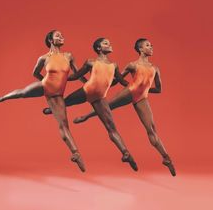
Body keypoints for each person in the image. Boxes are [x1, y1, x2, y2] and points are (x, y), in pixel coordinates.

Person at [72, 38, 176, 176]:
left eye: (151, 45)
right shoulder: (132, 65)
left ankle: (166, 158)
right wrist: (97, 83)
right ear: (140, 49)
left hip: (141, 97)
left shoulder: (155, 68)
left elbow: (158, 90)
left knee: (151, 129)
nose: (151, 47)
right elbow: (117, 79)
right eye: (147, 45)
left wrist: (144, 89)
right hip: (129, 91)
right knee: (108, 106)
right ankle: (86, 116)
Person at [0, 30, 86, 172]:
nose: (61, 37)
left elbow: (77, 74)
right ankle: (2, 98)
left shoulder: (68, 56)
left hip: (57, 95)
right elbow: (35, 73)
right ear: (51, 40)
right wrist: (45, 81)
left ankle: (76, 154)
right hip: (45, 85)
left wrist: (87, 82)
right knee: (23, 92)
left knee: (64, 125)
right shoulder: (44, 58)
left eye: (62, 35)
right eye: (58, 35)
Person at [43, 38, 138, 171]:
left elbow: (120, 81)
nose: (109, 44)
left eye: (109, 43)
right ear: (99, 48)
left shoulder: (114, 66)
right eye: (106, 43)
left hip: (99, 96)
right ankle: (51, 109)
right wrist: (60, 76)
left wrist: (135, 85)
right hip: (88, 90)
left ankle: (125, 153)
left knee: (111, 128)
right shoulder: (91, 62)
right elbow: (77, 76)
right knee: (65, 103)